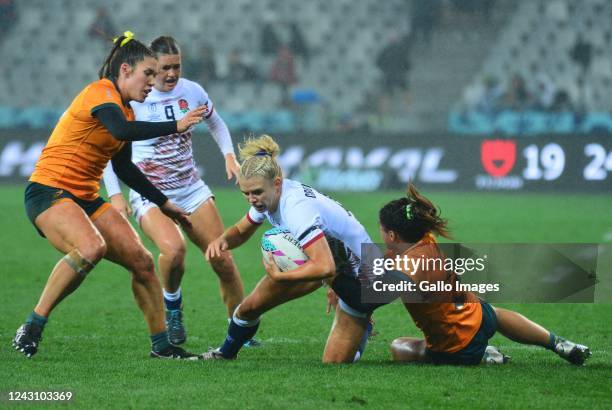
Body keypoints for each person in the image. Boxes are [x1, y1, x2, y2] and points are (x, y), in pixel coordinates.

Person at [13, 32, 207, 359]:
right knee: (91, 247)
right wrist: (176, 125)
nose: (154, 80)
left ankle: (161, 346)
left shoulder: (127, 111)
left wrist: (165, 203)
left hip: (85, 198)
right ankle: (32, 324)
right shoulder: (99, 93)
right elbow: (119, 131)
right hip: (49, 190)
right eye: (148, 73)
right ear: (126, 71)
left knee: (143, 262)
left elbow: (126, 169)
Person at [102, 36, 248, 346]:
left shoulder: (192, 91)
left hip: (191, 189)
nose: (171, 74)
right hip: (149, 193)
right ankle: (173, 307)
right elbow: (108, 151)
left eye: (177, 66)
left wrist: (229, 155)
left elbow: (216, 123)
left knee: (223, 259)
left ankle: (240, 330)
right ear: (151, 67)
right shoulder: (135, 97)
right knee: (174, 250)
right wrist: (115, 194)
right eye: (165, 68)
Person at [203, 135, 382, 363]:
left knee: (335, 363)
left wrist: (281, 276)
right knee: (249, 307)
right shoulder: (266, 197)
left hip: (362, 278)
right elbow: (241, 230)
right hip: (330, 261)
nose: (251, 199)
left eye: (255, 192)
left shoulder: (296, 208)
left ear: (277, 183)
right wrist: (223, 241)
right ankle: (224, 355)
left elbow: (325, 267)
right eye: (245, 193)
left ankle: (362, 325)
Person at [378, 184, 592, 366]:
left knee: (399, 346)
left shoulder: (408, 265)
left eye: (381, 228)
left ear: (391, 235)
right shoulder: (425, 238)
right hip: (479, 314)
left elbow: (377, 294)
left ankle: (485, 355)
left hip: (456, 345)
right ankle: (558, 343)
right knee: (495, 313)